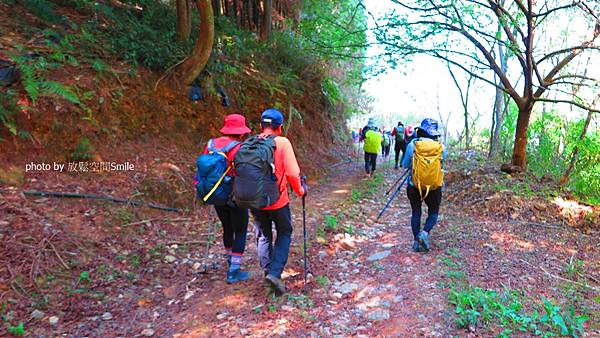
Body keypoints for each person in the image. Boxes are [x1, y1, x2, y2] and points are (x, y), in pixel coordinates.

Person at [252, 108, 306, 294]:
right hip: (278, 200)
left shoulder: (252, 142)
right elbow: (292, 172)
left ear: (261, 126)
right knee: (284, 232)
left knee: (263, 234)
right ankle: (274, 273)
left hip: (255, 199)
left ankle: (268, 270)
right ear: (280, 127)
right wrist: (300, 190)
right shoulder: (282, 142)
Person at [201, 114, 252, 283]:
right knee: (241, 230)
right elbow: (243, 172)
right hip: (235, 195)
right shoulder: (239, 148)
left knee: (227, 228)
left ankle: (230, 260)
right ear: (241, 132)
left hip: (216, 194)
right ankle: (234, 271)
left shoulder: (210, 145)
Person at [402, 118, 446, 253]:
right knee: (433, 212)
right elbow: (442, 164)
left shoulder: (413, 145)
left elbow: (405, 165)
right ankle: (425, 233)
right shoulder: (441, 147)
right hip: (434, 187)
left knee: (416, 212)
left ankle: (416, 241)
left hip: (414, 185)